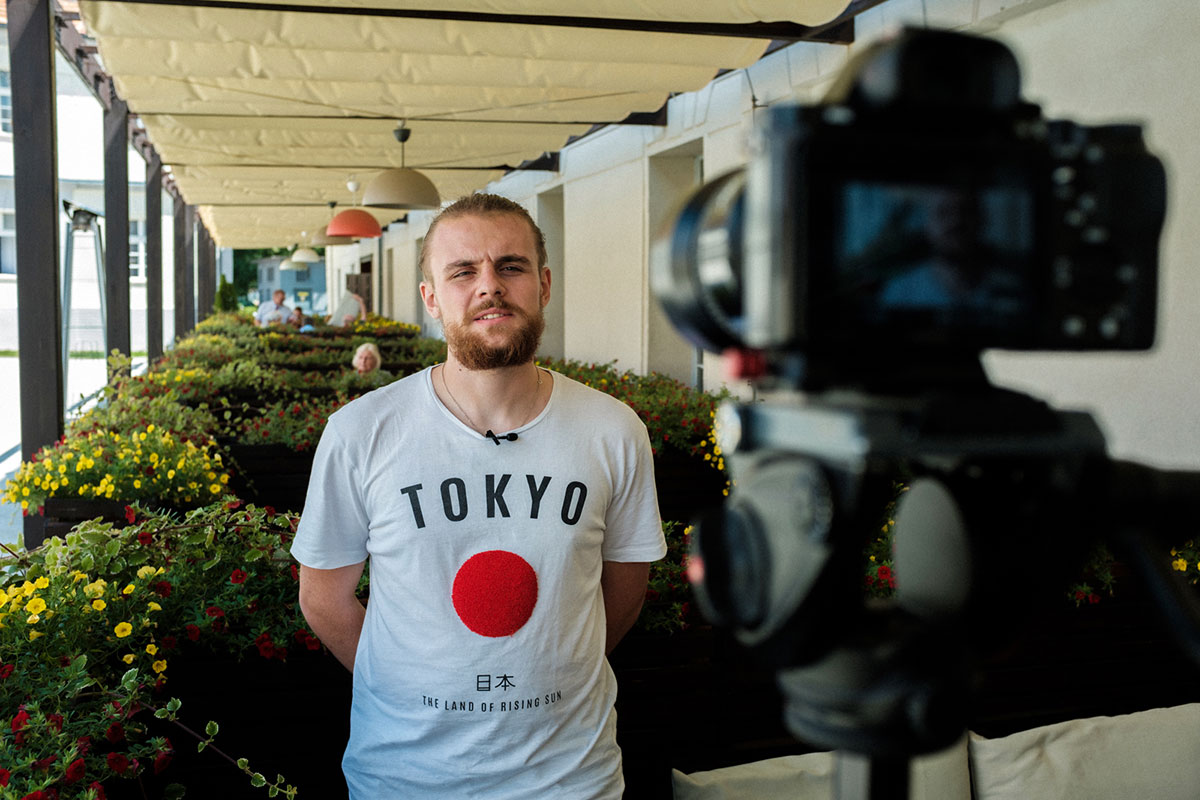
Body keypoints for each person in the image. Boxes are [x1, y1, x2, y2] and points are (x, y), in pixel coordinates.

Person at [292, 193, 665, 799]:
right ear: (431, 298)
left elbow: (624, 590)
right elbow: (322, 598)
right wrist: (409, 686)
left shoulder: (613, 431)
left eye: (510, 266)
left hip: (571, 780)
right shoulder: (361, 433)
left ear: (544, 285)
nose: (489, 285)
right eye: (463, 271)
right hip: (406, 780)